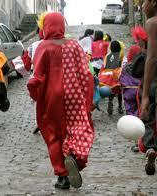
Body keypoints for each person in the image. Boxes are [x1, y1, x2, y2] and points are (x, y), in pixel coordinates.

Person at [27, 12, 94, 189]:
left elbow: (37, 77)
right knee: (76, 129)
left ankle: (62, 175)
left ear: (46, 26)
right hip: (74, 96)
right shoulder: (74, 45)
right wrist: (87, 100)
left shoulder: (44, 46)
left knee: (53, 135)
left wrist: (34, 93)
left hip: (52, 98)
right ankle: (74, 158)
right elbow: (86, 74)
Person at [139, 0, 157, 175]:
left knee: (150, 116)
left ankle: (151, 148)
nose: (142, 5)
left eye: (144, 1)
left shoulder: (153, 23)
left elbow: (152, 59)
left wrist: (145, 95)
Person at [99, 40, 124, 115]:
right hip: (116, 74)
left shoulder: (107, 55)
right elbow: (121, 65)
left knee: (111, 88)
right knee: (119, 91)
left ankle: (110, 100)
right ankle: (120, 107)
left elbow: (104, 65)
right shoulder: (120, 55)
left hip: (107, 74)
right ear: (119, 48)